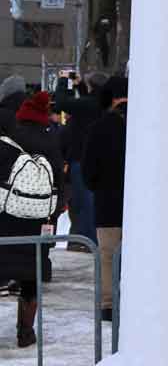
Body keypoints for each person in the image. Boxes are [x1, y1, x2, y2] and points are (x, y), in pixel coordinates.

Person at [0, 91, 63, 347]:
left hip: (7, 214)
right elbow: (59, 183)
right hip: (38, 219)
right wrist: (53, 213)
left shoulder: (11, 139)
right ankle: (25, 331)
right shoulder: (50, 141)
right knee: (31, 275)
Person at [83, 75, 127, 321]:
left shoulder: (99, 128)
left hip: (108, 204)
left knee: (108, 257)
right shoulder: (145, 124)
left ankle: (109, 305)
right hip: (141, 207)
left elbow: (88, 172)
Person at [53, 72, 107, 248]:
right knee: (89, 201)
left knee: (82, 203)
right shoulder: (102, 103)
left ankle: (85, 240)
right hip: (97, 159)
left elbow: (61, 103)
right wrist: (80, 86)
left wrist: (63, 81)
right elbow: (86, 102)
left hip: (80, 159)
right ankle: (86, 239)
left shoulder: (89, 104)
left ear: (91, 86)